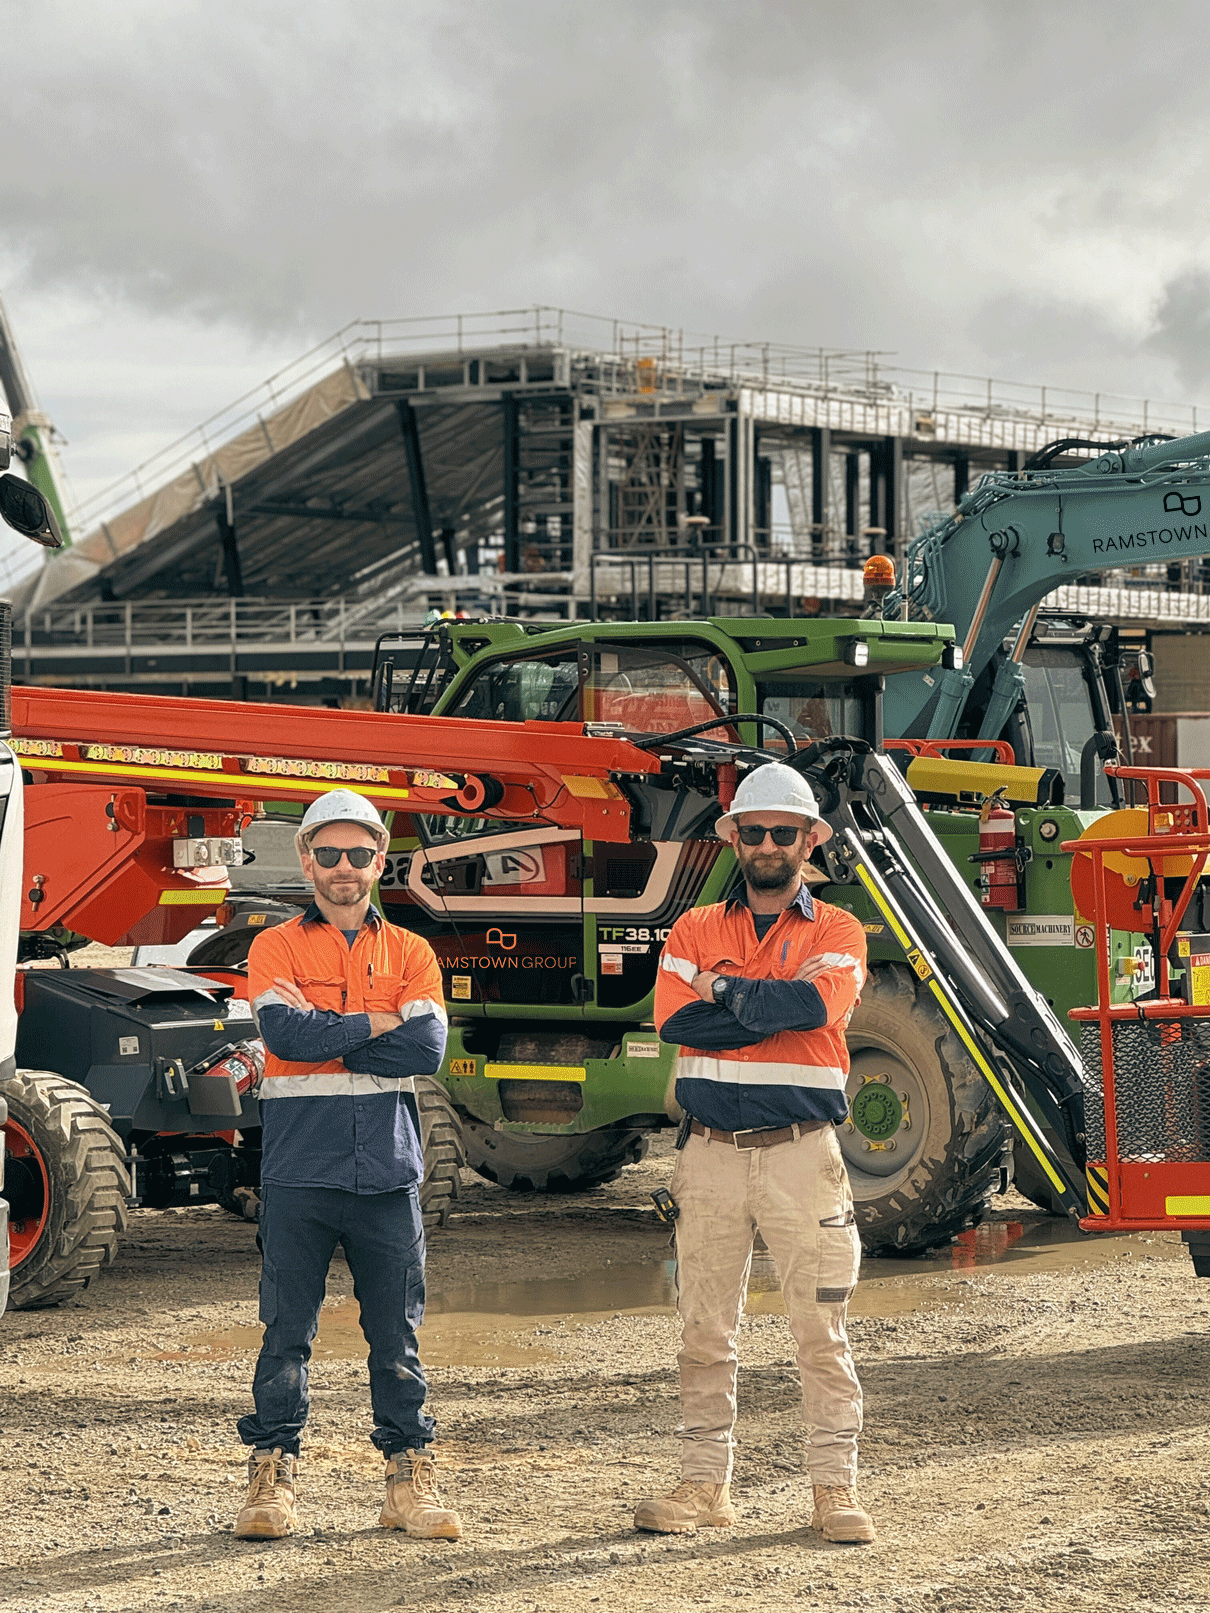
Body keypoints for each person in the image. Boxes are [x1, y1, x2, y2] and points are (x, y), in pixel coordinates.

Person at [634, 761, 874, 1545]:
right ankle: (704, 1486)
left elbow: (815, 1004)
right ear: (734, 837)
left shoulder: (838, 929)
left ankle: (833, 1489)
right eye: (755, 830)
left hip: (803, 1154)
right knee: (704, 1329)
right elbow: (676, 1021)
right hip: (709, 1157)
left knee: (820, 1329)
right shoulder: (694, 928)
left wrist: (727, 991)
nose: (768, 843)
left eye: (784, 832)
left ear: (809, 840)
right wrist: (766, 1006)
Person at [232, 788, 461, 1542]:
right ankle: (271, 1478)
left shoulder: (413, 951)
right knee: (285, 1333)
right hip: (300, 1173)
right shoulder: (274, 946)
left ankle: (407, 1479)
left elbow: (426, 1049)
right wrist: (374, 1021)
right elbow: (285, 1035)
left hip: (387, 1178)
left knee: (396, 1338)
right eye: (326, 854)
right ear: (305, 860)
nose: (342, 868)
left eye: (357, 854)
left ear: (378, 861)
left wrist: (332, 1027)